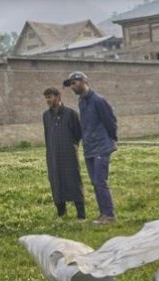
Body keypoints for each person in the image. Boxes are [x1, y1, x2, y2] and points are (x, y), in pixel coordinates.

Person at [64, 71, 118, 225]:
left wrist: (112, 140)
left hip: (101, 147)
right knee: (95, 182)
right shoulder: (81, 102)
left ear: (84, 81)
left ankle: (109, 215)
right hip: (89, 149)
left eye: (74, 83)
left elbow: (111, 121)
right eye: (70, 85)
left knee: (101, 181)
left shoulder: (98, 100)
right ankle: (103, 214)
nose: (72, 87)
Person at [42, 87, 85, 221]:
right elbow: (47, 135)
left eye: (50, 97)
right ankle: (61, 214)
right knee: (56, 182)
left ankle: (81, 216)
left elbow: (78, 134)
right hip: (53, 155)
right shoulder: (46, 116)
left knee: (74, 182)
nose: (48, 100)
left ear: (58, 97)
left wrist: (71, 147)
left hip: (69, 155)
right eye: (46, 98)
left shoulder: (71, 113)